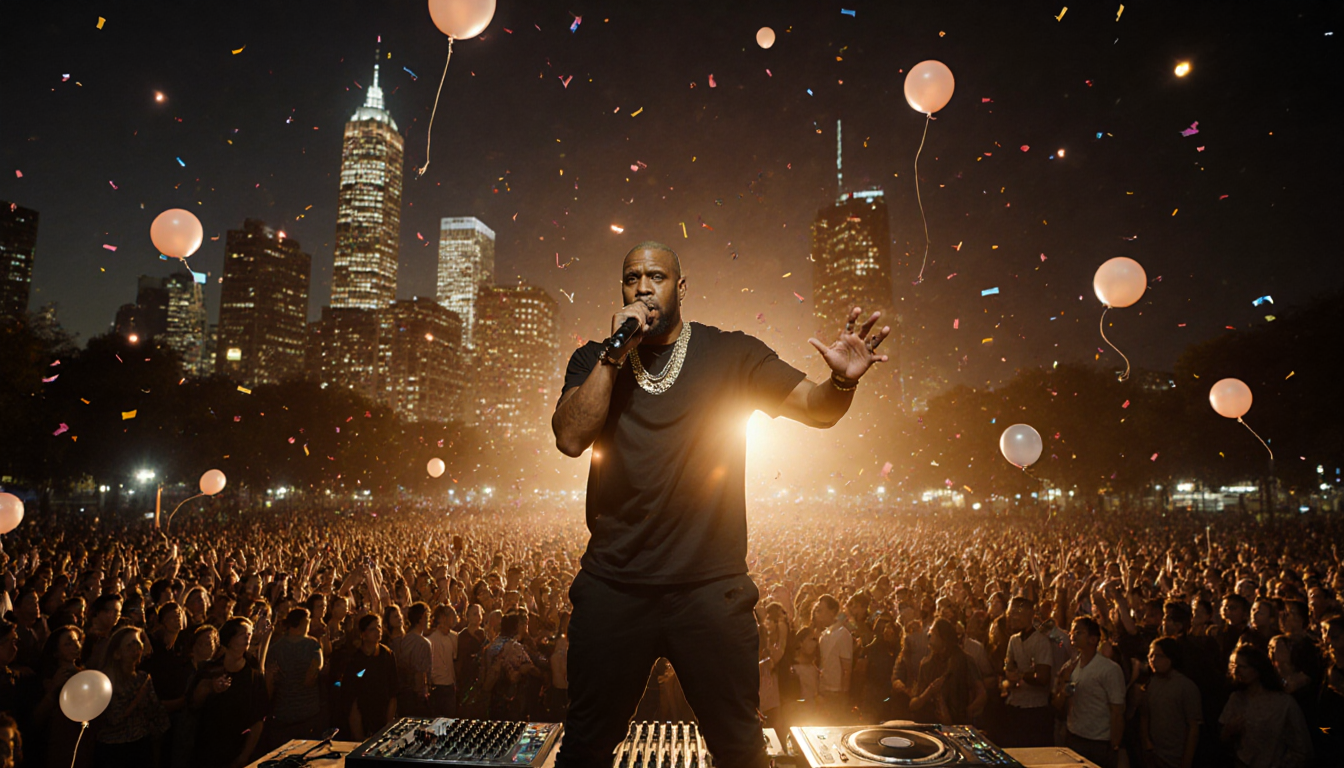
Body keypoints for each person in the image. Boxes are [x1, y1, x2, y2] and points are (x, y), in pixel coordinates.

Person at [550, 241, 889, 768]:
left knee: (740, 748)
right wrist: (613, 353)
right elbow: (571, 438)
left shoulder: (731, 354)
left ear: (681, 287)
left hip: (709, 589)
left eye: (656, 276)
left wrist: (841, 381)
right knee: (584, 747)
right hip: (614, 586)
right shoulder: (594, 360)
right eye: (632, 278)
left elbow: (816, 409)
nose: (643, 287)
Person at [192, 617, 269, 768]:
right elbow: (194, 703)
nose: (247, 637)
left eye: (249, 634)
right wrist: (211, 687)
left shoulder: (252, 671)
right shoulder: (211, 668)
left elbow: (258, 718)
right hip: (209, 746)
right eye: (242, 634)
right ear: (230, 640)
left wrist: (244, 756)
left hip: (239, 746)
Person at [1219, 644, 1313, 768]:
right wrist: (1229, 730)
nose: (1237, 671)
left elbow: (1301, 745)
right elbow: (1222, 738)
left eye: (1243, 667)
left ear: (1257, 668)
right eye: (1234, 666)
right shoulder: (1236, 699)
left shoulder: (1283, 703)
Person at [1053, 616, 1125, 768]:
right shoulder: (1070, 667)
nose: (1072, 635)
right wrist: (1064, 690)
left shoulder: (1109, 669)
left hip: (1099, 741)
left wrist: (1114, 745)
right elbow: (1057, 704)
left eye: (1079, 632)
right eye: (1072, 631)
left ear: (1093, 639)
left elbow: (1117, 710)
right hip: (1074, 736)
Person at [93, 626, 169, 767]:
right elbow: (113, 718)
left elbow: (156, 711)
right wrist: (137, 699)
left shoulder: (143, 678)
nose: (136, 648)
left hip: (139, 745)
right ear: (117, 653)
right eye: (130, 645)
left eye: (138, 643)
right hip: (113, 749)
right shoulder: (106, 680)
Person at [265, 608, 323, 751]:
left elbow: (270, 681)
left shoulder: (276, 648)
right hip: (308, 711)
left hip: (283, 711)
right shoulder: (312, 645)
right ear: (302, 623)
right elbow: (314, 672)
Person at [1138, 637, 1201, 768]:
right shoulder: (1150, 683)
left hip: (1175, 755)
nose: (1153, 660)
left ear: (1171, 657)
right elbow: (1144, 715)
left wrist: (1186, 761)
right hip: (1154, 753)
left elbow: (1193, 727)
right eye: (1151, 656)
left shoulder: (1185, 686)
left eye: (1159, 656)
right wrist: (1146, 742)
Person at [1001, 596, 1054, 748]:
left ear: (1030, 613)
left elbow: (1043, 677)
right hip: (1015, 705)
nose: (1013, 617)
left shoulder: (1041, 641)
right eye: (1011, 613)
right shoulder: (1014, 640)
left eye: (1018, 612)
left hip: (1034, 709)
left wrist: (1021, 676)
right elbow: (1008, 667)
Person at [910, 618, 985, 726]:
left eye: (934, 634)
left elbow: (981, 693)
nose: (930, 636)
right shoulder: (926, 664)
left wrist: (969, 711)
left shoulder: (965, 661)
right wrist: (930, 691)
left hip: (959, 724)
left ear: (944, 638)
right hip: (931, 724)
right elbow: (913, 704)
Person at [341, 614, 397, 740]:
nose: (377, 631)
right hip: (364, 713)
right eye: (372, 629)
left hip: (383, 710)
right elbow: (352, 698)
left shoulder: (387, 654)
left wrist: (389, 724)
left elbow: (393, 692)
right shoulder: (355, 660)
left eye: (379, 627)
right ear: (363, 634)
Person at [813, 595, 854, 723]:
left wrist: (844, 694)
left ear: (832, 611)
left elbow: (847, 668)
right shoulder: (824, 634)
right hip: (823, 689)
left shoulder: (843, 634)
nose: (819, 614)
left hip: (836, 692)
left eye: (821, 610)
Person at [393, 602, 432, 717]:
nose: (429, 620)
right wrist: (422, 695)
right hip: (416, 696)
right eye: (427, 616)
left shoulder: (403, 640)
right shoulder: (423, 643)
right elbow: (420, 672)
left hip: (402, 693)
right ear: (421, 618)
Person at [427, 605, 459, 717]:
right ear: (442, 617)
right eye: (451, 615)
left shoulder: (454, 637)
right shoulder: (431, 638)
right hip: (437, 685)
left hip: (450, 684)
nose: (454, 618)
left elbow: (455, 659)